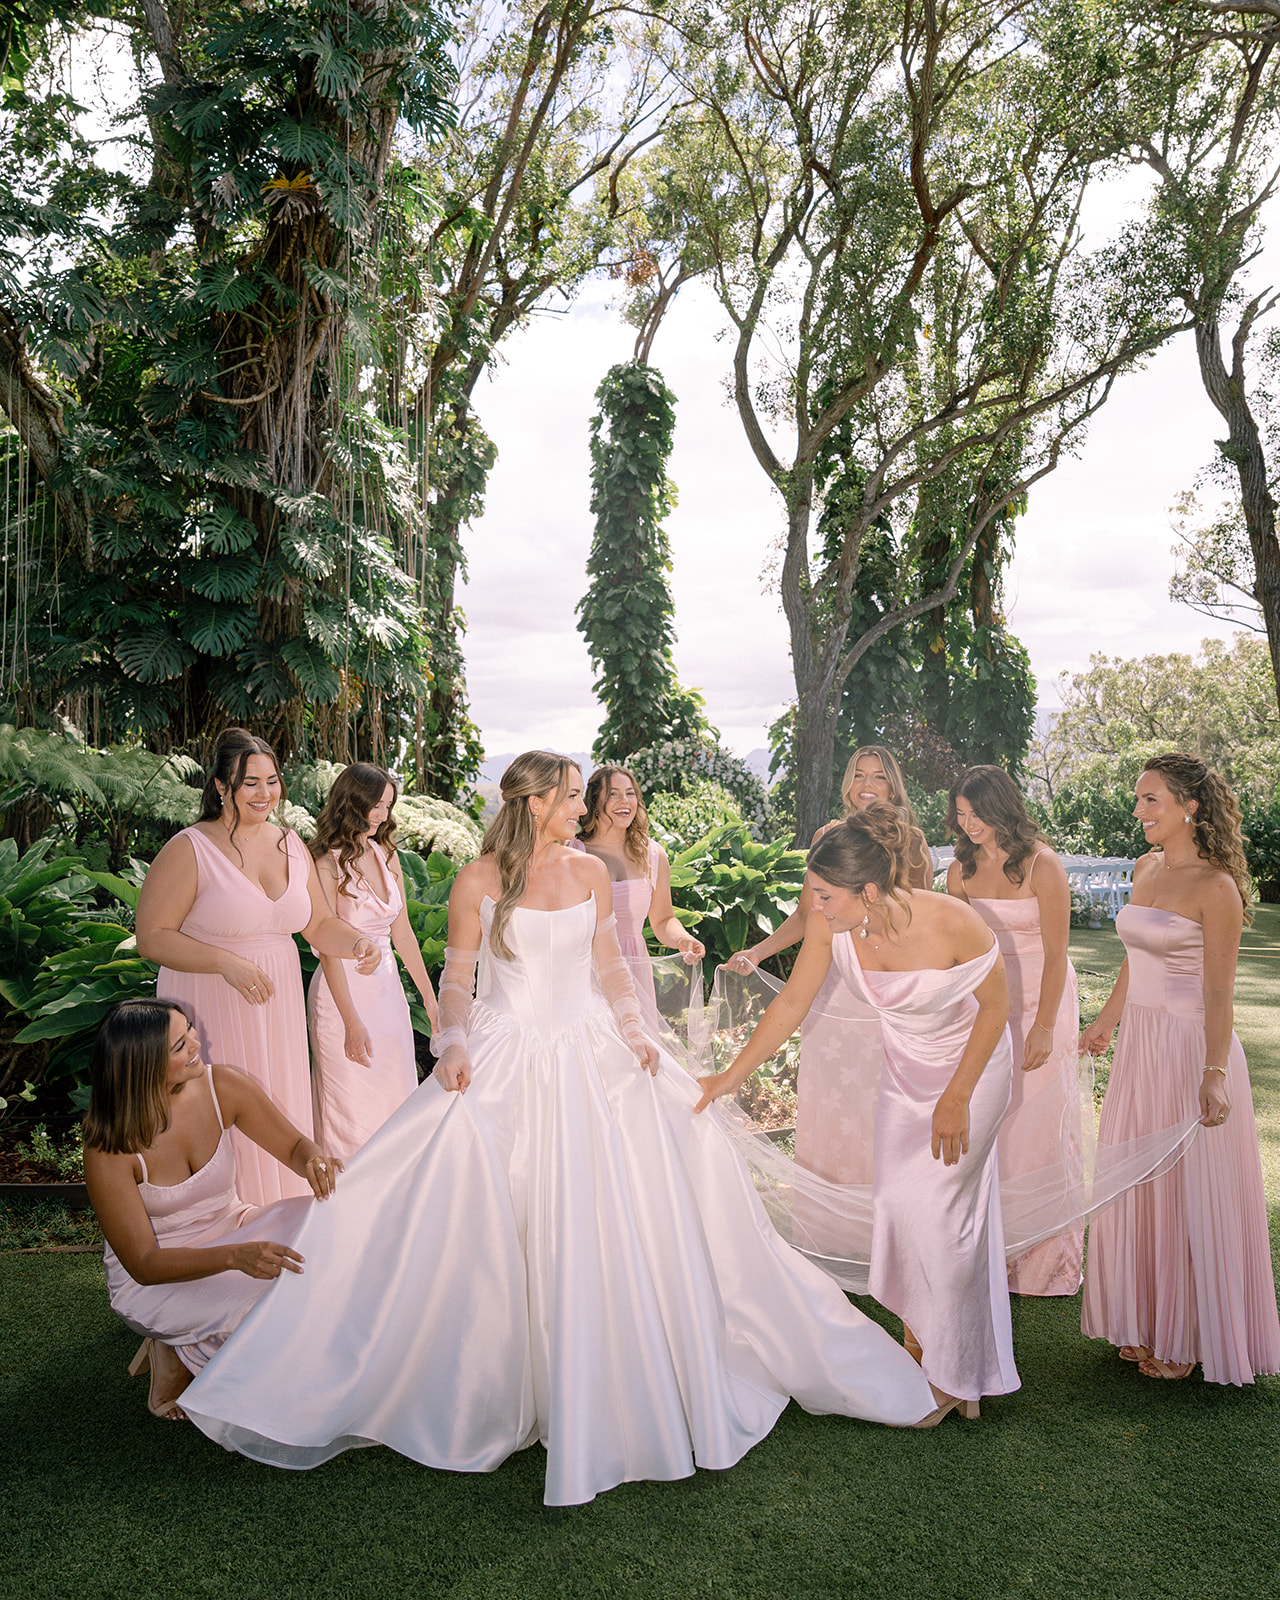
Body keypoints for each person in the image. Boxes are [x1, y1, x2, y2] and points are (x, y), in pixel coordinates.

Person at [179, 752, 936, 1505]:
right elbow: (457, 983)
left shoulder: (590, 875)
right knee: (437, 1204)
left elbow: (610, 965)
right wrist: (451, 1043)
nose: (584, 807)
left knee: (623, 1206)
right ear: (536, 803)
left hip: (591, 1051)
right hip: (503, 1054)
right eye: (573, 797)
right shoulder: (480, 879)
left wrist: (637, 1029)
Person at [699, 803, 1019, 1421]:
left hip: (972, 1072)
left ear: (866, 891)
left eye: (823, 895)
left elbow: (996, 1010)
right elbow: (791, 1005)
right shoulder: (831, 926)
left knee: (945, 1210)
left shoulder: (954, 922)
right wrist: (729, 1077)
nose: (812, 908)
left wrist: (957, 1097)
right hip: (906, 1073)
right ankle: (932, 1340)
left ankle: (954, 1380)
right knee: (899, 1205)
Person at [1079, 754, 1280, 1384]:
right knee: (1138, 1180)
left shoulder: (1216, 887)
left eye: (1150, 800)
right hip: (1140, 1045)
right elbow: (1134, 959)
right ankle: (1143, 1319)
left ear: (1189, 806)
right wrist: (1107, 1019)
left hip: (1189, 1048)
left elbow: (1220, 993)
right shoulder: (1144, 869)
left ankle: (1188, 1332)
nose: (1138, 811)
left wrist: (1214, 1071)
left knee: (1184, 1186)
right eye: (1138, 799)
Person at [136, 728, 381, 1205]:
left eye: (272, 781)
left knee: (276, 1105)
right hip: (209, 1004)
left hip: (276, 1006)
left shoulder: (291, 843)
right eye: (250, 783)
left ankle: (280, 1217)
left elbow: (318, 924)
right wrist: (225, 963)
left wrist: (357, 942)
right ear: (221, 787)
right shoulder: (190, 848)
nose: (265, 793)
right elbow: (152, 936)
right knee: (221, 1112)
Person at [82, 999, 341, 1421]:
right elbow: (144, 1264)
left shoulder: (223, 1086)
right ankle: (179, 1350)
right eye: (180, 1045)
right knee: (273, 1307)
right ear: (144, 1066)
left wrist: (314, 1160)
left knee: (335, 1233)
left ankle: (188, 1346)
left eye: (190, 1032)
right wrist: (235, 1258)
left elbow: (295, 1147)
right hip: (158, 1279)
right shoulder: (108, 1147)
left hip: (233, 1227)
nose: (197, 1045)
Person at [725, 746, 932, 1191]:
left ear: (893, 785)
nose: (868, 786)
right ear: (848, 785)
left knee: (883, 1102)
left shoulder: (909, 842)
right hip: (831, 987)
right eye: (859, 776)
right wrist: (757, 952)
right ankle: (831, 1225)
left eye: (878, 777)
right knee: (832, 1100)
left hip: (884, 990)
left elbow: (919, 923)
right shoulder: (828, 836)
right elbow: (806, 915)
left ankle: (887, 1218)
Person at [946, 765, 1085, 1295]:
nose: (969, 823)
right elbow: (958, 953)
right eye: (960, 814)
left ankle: (1043, 1259)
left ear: (1001, 807)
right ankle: (990, 1252)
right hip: (987, 1007)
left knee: (1036, 1126)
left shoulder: (1041, 865)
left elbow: (1056, 953)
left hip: (1042, 1002)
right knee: (994, 1124)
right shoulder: (958, 871)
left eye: (976, 812)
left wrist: (1045, 1026)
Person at [307, 763, 439, 1162]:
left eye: (387, 806)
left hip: (386, 993)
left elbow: (403, 936)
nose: (382, 816)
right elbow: (326, 943)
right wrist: (350, 1021)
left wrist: (431, 1002)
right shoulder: (325, 863)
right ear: (352, 802)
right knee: (351, 1107)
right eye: (376, 806)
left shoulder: (386, 854)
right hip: (340, 995)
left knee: (394, 1097)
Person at [572, 765, 704, 1016]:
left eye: (630, 793)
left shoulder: (653, 854)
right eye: (614, 794)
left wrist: (682, 939)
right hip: (585, 968)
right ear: (594, 800)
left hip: (635, 969)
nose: (625, 801)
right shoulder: (573, 852)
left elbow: (663, 919)